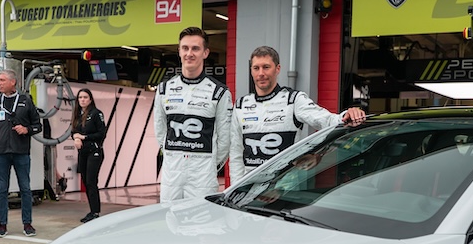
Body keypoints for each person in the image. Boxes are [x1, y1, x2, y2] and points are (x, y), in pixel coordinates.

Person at [228, 45, 365, 185]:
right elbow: (236, 153)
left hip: (284, 187)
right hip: (250, 188)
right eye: (256, 68)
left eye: (266, 67)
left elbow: (326, 120)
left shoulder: (293, 100)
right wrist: (236, 187)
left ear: (278, 69)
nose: (261, 73)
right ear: (251, 70)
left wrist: (347, 114)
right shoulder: (241, 105)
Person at [153, 26, 233, 202]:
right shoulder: (164, 89)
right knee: (170, 223)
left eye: (195, 48)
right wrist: (173, 156)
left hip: (203, 176)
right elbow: (160, 131)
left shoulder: (219, 92)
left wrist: (209, 164)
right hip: (171, 175)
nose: (190, 53)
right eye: (185, 48)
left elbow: (225, 139)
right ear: (179, 51)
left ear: (205, 53)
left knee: (201, 225)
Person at [0, 69, 42, 237]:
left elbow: (38, 125)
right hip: (1, 153)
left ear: (12, 82)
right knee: (1, 189)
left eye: (2, 80)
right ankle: (2, 225)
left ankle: (27, 224)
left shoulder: (25, 101)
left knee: (25, 188)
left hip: (21, 152)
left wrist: (26, 129)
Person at [71, 88, 106, 223]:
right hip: (83, 152)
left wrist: (84, 137)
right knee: (86, 181)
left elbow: (101, 133)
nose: (82, 100)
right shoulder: (77, 115)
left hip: (95, 151)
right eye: (80, 98)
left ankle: (95, 212)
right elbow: (73, 131)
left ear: (90, 99)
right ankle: (92, 210)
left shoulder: (97, 114)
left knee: (91, 181)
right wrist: (76, 137)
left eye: (85, 97)